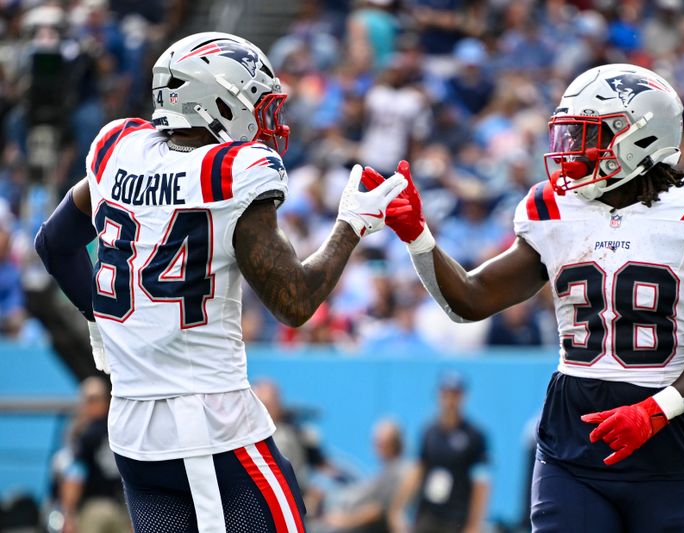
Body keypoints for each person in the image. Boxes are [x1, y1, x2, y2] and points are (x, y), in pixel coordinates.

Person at [34, 31, 408, 532]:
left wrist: (103, 320)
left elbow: (53, 244)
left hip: (131, 432)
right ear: (218, 101)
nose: (268, 119)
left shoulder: (119, 147)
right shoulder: (233, 171)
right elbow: (294, 302)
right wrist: (351, 225)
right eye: (257, 102)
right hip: (208, 427)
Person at [367, 63, 684, 531]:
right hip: (572, 437)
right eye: (571, 135)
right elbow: (468, 300)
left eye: (590, 135)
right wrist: (417, 237)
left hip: (667, 444)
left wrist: (656, 411)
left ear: (643, 139)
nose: (571, 151)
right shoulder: (552, 210)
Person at [389, 371, 490, 533]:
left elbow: (482, 483)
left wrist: (474, 525)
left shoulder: (474, 436)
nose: (449, 400)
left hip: (457, 517)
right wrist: (398, 508)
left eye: (455, 394)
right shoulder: (429, 431)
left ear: (463, 396)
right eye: (445, 393)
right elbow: (418, 469)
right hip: (428, 514)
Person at [59, 377, 129, 533]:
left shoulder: (85, 435)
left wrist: (68, 515)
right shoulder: (120, 430)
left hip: (93, 510)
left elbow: (75, 476)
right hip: (122, 508)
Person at [319, 419, 409, 533]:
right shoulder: (386, 469)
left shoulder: (397, 471)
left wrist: (342, 520)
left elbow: (377, 511)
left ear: (394, 443)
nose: (376, 447)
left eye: (380, 443)